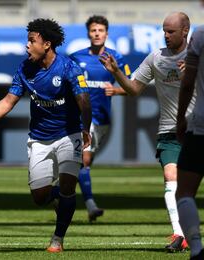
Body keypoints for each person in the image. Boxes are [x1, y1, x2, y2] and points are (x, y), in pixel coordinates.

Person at [0, 18, 92, 253]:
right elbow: (9, 101)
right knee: (40, 197)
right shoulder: (25, 68)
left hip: (69, 135)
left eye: (32, 41)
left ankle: (57, 239)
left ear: (47, 44)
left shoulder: (69, 67)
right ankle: (59, 196)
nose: (27, 45)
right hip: (39, 137)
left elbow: (84, 101)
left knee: (69, 184)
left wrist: (85, 127)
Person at [99, 12, 194, 252]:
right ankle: (179, 234)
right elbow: (133, 89)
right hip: (170, 131)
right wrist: (116, 72)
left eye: (171, 31)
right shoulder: (156, 58)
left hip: (198, 129)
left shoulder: (198, 56)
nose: (166, 35)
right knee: (171, 180)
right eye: (164, 30)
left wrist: (192, 77)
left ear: (185, 31)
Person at [69, 15, 130, 222]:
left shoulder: (115, 57)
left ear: (106, 33)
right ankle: (91, 205)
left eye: (100, 30)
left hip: (103, 118)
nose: (97, 34)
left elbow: (130, 85)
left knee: (84, 162)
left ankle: (58, 191)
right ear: (88, 33)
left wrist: (116, 90)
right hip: (83, 118)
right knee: (84, 160)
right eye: (93, 30)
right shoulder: (76, 57)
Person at [176, 24, 204, 259]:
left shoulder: (200, 34)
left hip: (201, 125)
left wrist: (180, 119)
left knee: (184, 191)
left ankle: (196, 248)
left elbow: (188, 82)